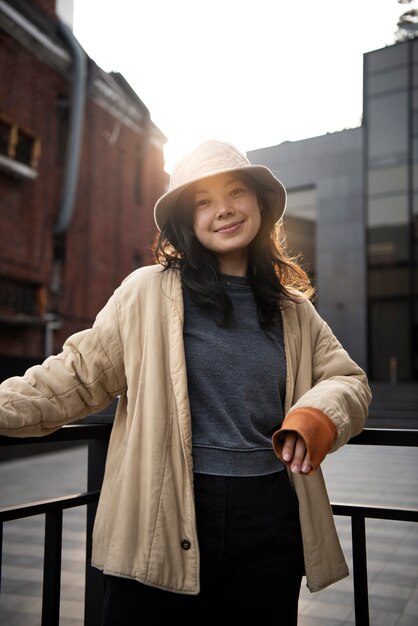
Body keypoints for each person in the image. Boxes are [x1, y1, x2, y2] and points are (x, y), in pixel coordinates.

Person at [0, 139, 372, 624]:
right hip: (161, 513)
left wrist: (317, 415)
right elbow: (72, 377)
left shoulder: (293, 309)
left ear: (259, 202)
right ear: (185, 219)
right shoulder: (146, 292)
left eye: (235, 192)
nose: (223, 210)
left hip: (268, 517)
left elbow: (348, 381)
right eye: (203, 201)